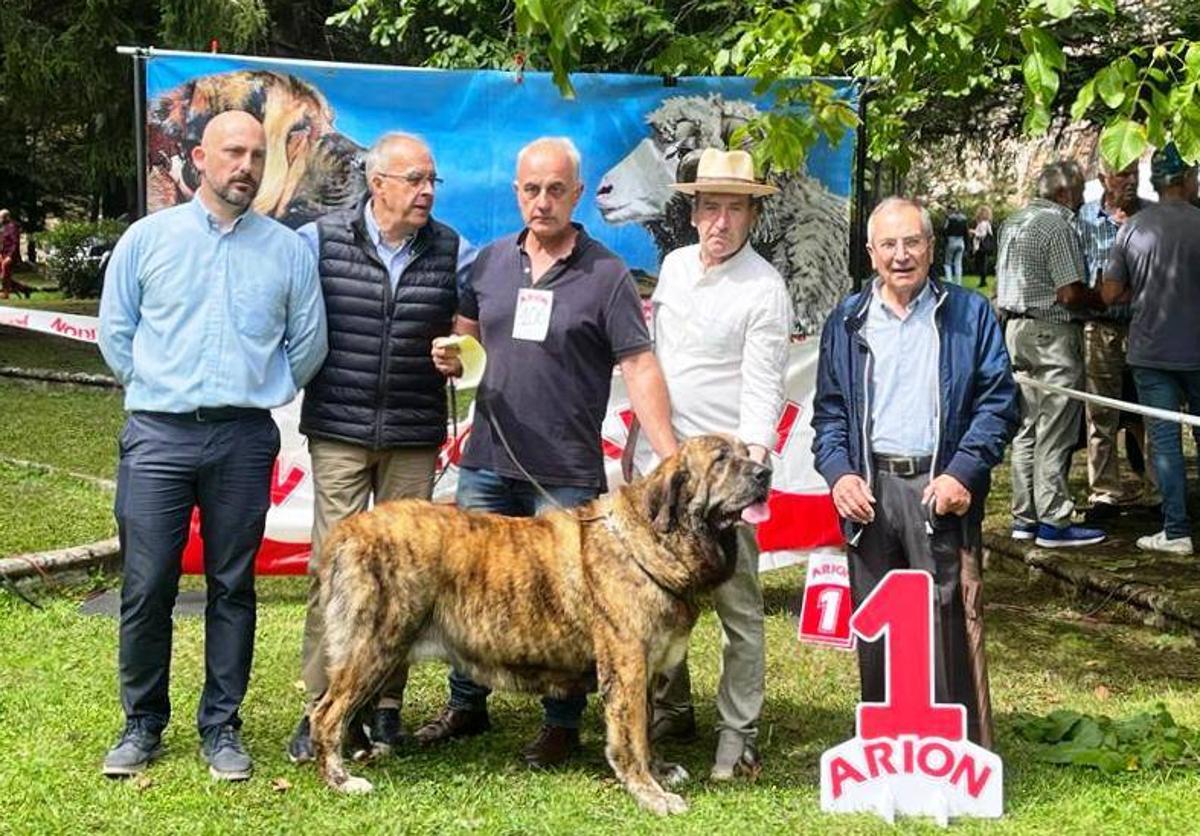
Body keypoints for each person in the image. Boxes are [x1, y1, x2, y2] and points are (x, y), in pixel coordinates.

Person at [424, 136, 678, 768]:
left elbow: (639, 364)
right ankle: (466, 705)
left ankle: (561, 722)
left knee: (566, 602)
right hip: (487, 458)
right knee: (469, 586)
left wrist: (671, 456)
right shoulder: (487, 262)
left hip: (563, 473)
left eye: (555, 189)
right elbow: (467, 335)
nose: (542, 201)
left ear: (578, 194)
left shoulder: (607, 274)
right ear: (517, 193)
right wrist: (451, 355)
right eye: (531, 189)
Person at [97, 110, 328, 781]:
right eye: (233, 153)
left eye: (257, 155)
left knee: (233, 585)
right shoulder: (147, 240)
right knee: (146, 585)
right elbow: (117, 332)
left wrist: (265, 386)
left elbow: (308, 344)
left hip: (242, 438)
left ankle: (221, 726)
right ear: (200, 157)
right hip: (158, 434)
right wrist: (155, 387)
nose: (246, 167)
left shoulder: (286, 251)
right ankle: (142, 723)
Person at [285, 133, 476, 763]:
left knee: (406, 580)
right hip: (338, 430)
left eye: (432, 181)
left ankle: (384, 708)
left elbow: (474, 330)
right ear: (378, 184)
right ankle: (321, 708)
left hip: (414, 436)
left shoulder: (453, 250)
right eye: (414, 179)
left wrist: (459, 357)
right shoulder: (318, 240)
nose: (426, 192)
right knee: (333, 570)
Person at [812, 196, 1017, 745]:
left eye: (913, 242)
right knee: (878, 621)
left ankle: (955, 750)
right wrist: (840, 475)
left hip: (939, 486)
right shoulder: (847, 320)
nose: (901, 255)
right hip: (870, 491)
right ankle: (888, 745)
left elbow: (999, 404)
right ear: (871, 252)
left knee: (949, 617)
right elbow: (830, 412)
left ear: (930, 247)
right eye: (889, 245)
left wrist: (963, 472)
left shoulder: (969, 314)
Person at [642, 148, 792, 780]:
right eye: (709, 206)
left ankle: (739, 733)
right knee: (657, 596)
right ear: (693, 210)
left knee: (737, 607)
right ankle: (670, 706)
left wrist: (747, 482)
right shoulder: (674, 267)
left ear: (752, 214)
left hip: (727, 481)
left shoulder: (765, 287)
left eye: (734, 208)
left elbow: (764, 391)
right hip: (664, 464)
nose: (720, 221)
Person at [995, 160, 1106, 548]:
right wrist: (1102, 298)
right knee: (1056, 426)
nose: (1079, 200)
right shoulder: (1058, 224)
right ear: (1063, 193)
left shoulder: (1014, 221)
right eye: (1077, 191)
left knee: (1027, 427)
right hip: (1051, 332)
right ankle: (1054, 520)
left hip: (1016, 329)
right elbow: (1069, 293)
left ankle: (1024, 517)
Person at [1101, 143, 1200, 555]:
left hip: (1151, 350)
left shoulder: (1132, 230)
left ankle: (1176, 530)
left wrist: (1140, 290)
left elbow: (1109, 293)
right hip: (1197, 350)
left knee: (1164, 442)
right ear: (1185, 180)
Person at [1077, 157, 1159, 522]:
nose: (1129, 181)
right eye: (1122, 174)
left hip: (1148, 328)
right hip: (1102, 328)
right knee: (1100, 412)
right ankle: (1105, 493)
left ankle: (1157, 490)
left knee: (1154, 412)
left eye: (1134, 174)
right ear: (1102, 178)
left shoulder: (1154, 216)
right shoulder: (1083, 220)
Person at [0, 209, 33, 299]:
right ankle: (24, 289)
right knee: (3, 275)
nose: (0, 219)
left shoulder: (12, 227)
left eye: (1, 217)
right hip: (3, 253)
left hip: (11, 255)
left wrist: (10, 256)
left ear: (6, 217)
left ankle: (5, 293)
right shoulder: (4, 227)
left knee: (5, 271)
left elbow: (15, 243)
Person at [969, 205, 995, 288]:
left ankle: (983, 281)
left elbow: (982, 234)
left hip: (981, 247)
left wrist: (973, 232)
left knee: (980, 264)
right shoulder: (987, 223)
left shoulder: (983, 224)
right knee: (982, 263)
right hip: (984, 246)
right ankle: (983, 281)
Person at [942, 206, 968, 285]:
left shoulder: (949, 219)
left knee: (947, 263)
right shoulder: (964, 219)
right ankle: (958, 282)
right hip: (961, 242)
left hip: (951, 241)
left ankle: (949, 281)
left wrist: (945, 241)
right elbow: (966, 233)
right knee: (958, 263)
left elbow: (945, 230)